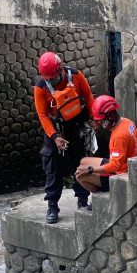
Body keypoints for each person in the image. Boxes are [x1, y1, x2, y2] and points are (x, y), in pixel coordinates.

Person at [34, 52, 95, 224]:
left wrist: (94, 119)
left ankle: (83, 200)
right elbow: (43, 115)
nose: (50, 81)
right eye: (47, 78)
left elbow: (89, 98)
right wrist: (54, 137)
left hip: (75, 127)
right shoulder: (41, 87)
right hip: (55, 129)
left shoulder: (75, 76)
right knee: (52, 166)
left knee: (79, 162)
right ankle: (52, 205)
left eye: (52, 77)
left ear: (60, 69)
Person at [74, 95, 137, 195]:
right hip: (123, 165)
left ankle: (102, 196)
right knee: (84, 161)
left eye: (100, 120)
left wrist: (90, 170)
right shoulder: (127, 122)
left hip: (119, 174)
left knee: (80, 176)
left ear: (110, 116)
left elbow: (115, 166)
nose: (98, 122)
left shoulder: (118, 136)